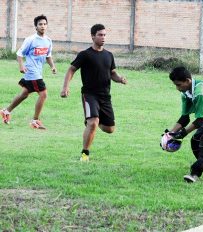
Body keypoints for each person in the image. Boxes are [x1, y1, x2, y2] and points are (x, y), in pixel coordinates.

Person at [60, 24, 127, 162]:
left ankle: (92, 121)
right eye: (100, 35)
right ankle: (85, 153)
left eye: (104, 35)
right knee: (93, 123)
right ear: (92, 36)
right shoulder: (85, 55)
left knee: (110, 129)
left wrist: (119, 79)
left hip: (105, 96)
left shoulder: (109, 55)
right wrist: (65, 87)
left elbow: (112, 73)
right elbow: (71, 69)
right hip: (89, 95)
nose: (103, 38)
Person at [0, 14, 56, 129]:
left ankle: (6, 111)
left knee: (24, 94)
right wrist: (21, 66)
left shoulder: (48, 40)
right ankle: (35, 120)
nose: (43, 26)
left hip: (38, 72)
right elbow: (19, 54)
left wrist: (52, 66)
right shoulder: (30, 40)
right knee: (43, 94)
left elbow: (48, 56)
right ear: (36, 27)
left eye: (45, 24)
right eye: (40, 24)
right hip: (31, 71)